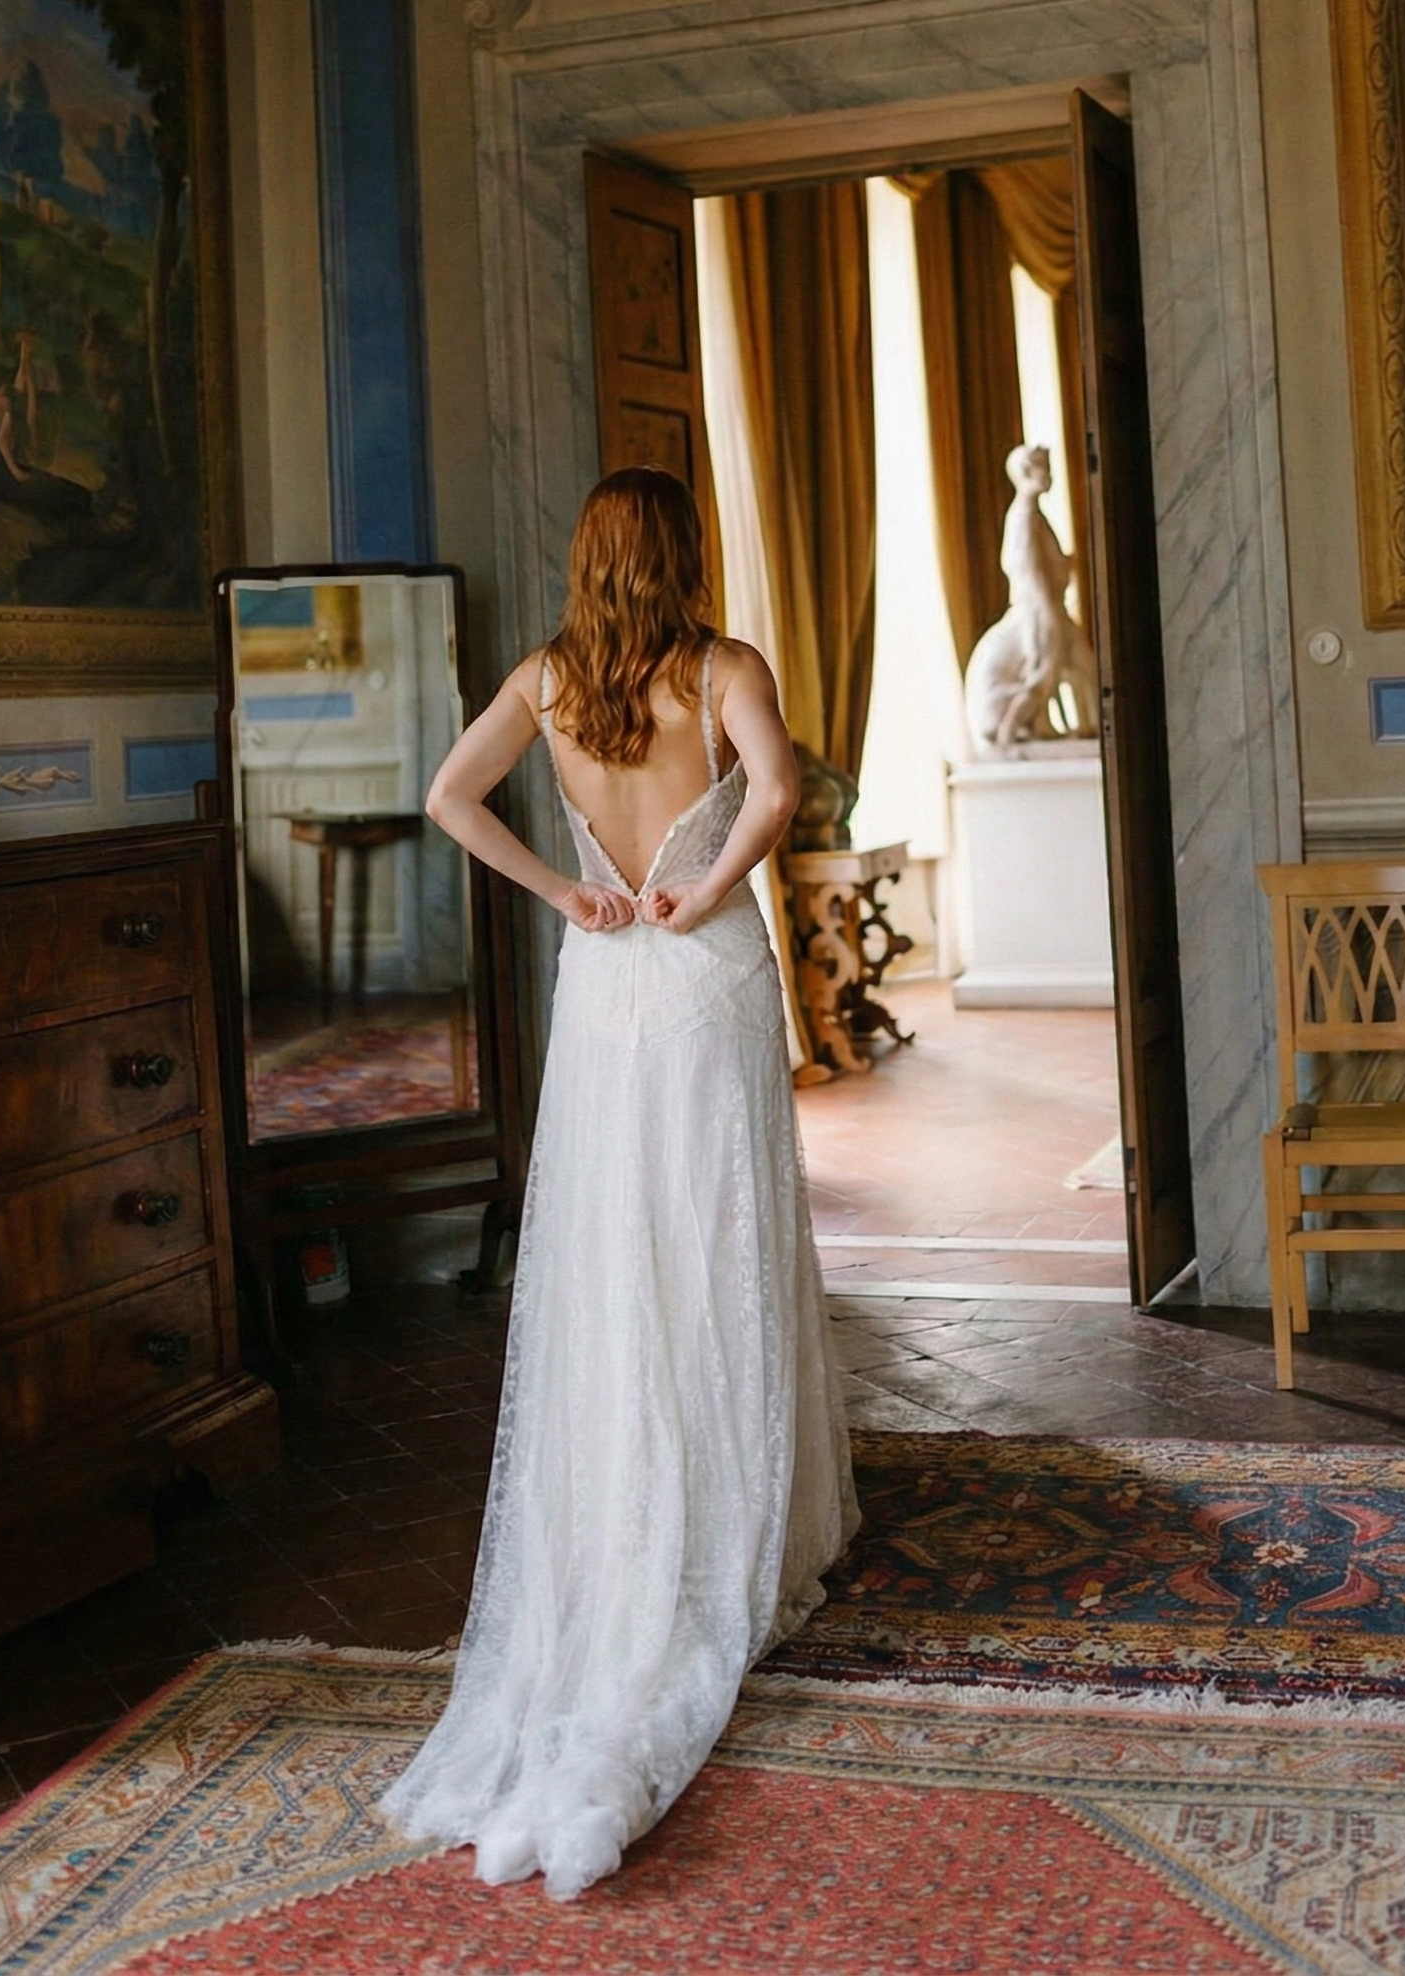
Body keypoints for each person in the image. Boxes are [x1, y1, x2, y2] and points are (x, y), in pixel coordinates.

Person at [379, 465, 858, 1900]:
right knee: (722, 1254)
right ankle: (732, 1529)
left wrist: (561, 890)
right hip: (700, 977)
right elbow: (778, 793)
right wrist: (705, 890)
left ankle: (630, 1519)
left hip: (602, 985)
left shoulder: (544, 682)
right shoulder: (724, 669)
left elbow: (447, 798)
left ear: (589, 559)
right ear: (682, 553)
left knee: (612, 1262)